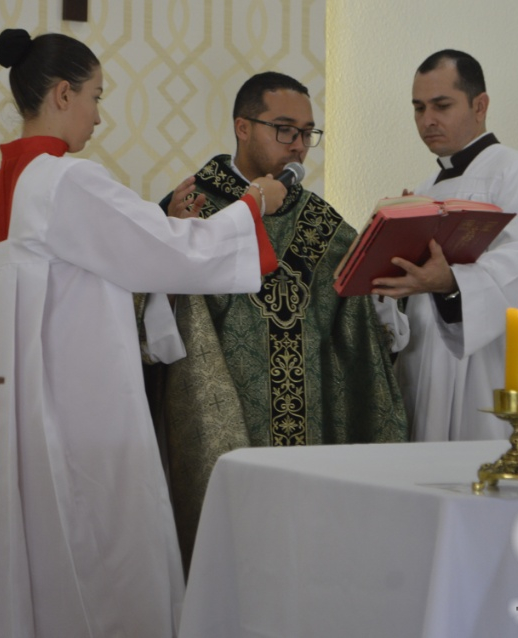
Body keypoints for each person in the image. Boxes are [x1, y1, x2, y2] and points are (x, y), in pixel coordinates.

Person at [0, 29, 287, 638]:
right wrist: (252, 209)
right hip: (80, 421)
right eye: (96, 97)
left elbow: (88, 268)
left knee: (34, 557)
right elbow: (166, 253)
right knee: (104, 555)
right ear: (63, 94)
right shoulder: (68, 179)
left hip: (15, 427)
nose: (99, 116)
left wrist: (158, 223)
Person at [147, 72, 409, 571]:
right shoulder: (194, 207)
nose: (299, 146)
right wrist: (170, 260)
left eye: (308, 133)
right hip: (226, 425)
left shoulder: (319, 221)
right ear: (242, 127)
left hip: (312, 435)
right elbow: (148, 311)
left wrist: (384, 269)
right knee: (231, 558)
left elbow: (363, 323)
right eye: (284, 130)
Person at [372, 50, 518, 441]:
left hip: (491, 370)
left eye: (442, 105)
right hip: (426, 367)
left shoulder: (516, 170)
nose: (427, 120)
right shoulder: (426, 189)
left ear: (480, 105)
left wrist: (450, 283)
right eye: (418, 108)